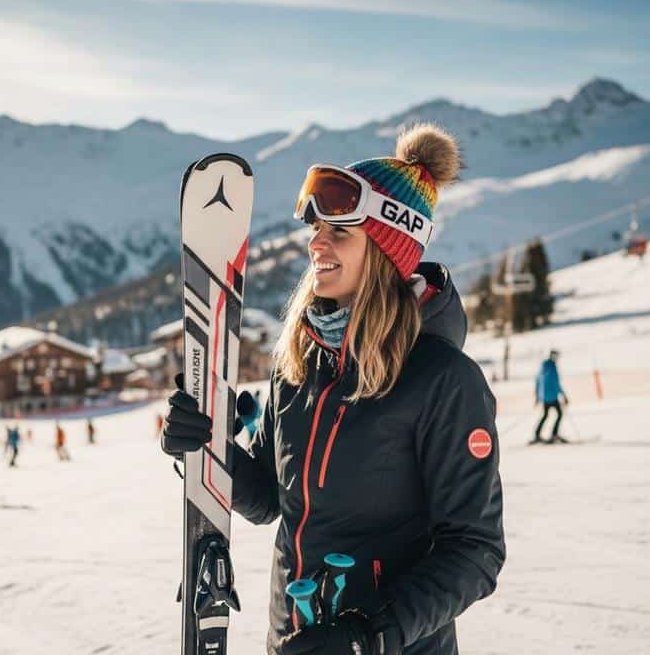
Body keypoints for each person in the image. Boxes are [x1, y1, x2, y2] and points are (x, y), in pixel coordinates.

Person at [162, 125, 505, 655]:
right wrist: (208, 444)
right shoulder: (300, 365)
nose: (314, 242)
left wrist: (366, 635)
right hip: (293, 641)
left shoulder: (444, 380)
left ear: (389, 251)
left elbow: (475, 551)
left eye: (339, 232)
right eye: (315, 228)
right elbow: (269, 503)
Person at [532, 350, 570, 444]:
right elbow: (555, 383)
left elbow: (537, 381)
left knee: (545, 415)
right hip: (552, 396)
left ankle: (537, 434)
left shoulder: (543, 366)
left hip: (544, 396)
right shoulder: (552, 367)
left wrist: (537, 396)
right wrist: (563, 395)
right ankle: (554, 434)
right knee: (559, 413)